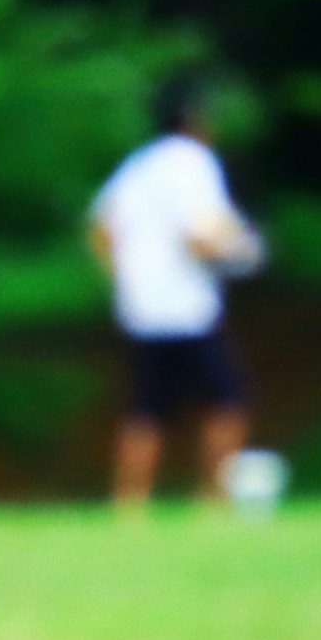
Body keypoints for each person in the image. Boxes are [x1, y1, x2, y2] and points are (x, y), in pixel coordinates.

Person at [87, 74, 265, 508]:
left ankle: (129, 506)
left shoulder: (139, 165)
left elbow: (100, 228)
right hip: (187, 308)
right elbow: (199, 234)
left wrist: (124, 279)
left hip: (142, 308)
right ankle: (214, 501)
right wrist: (242, 253)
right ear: (195, 118)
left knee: (146, 409)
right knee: (227, 401)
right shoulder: (193, 162)